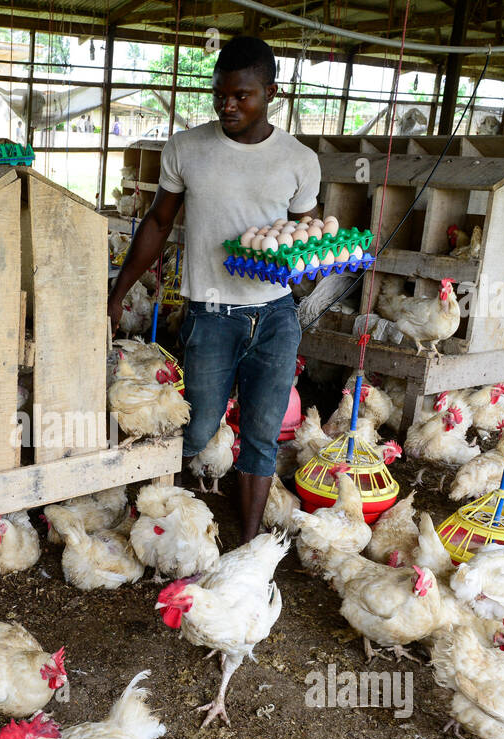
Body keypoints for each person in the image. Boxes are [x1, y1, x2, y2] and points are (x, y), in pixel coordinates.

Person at [106, 35, 321, 544]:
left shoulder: (298, 159)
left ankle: (246, 545)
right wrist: (117, 294)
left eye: (241, 95)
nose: (228, 105)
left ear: (271, 92)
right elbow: (158, 223)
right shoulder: (187, 149)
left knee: (261, 438)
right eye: (219, 94)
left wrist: (306, 270)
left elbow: (307, 237)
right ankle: (168, 522)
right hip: (210, 315)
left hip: (274, 316)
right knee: (196, 428)